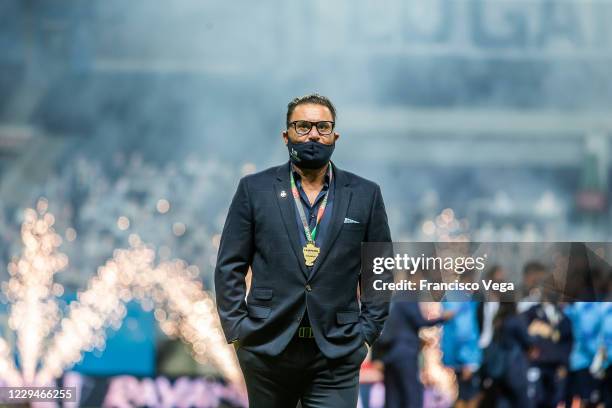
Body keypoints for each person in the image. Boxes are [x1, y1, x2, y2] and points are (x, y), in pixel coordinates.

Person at [214, 93, 393, 408]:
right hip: (267, 347)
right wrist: (238, 331)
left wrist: (366, 333)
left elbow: (380, 270)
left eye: (323, 127)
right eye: (303, 126)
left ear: (335, 135)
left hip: (336, 351)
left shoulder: (366, 194)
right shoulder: (254, 190)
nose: (313, 134)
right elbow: (230, 266)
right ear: (286, 135)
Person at [372, 299, 454, 408]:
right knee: (412, 394)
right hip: (404, 354)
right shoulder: (407, 297)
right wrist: (443, 318)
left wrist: (376, 357)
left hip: (388, 355)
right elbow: (419, 321)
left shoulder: (390, 300)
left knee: (392, 396)